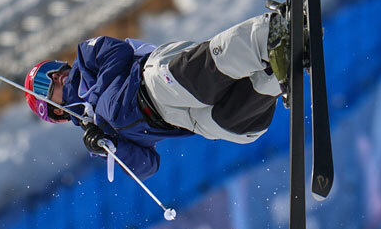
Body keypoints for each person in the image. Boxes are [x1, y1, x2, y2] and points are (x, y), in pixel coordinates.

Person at [24, 10, 291, 179]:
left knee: (194, 81)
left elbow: (117, 53)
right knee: (240, 128)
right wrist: (112, 147)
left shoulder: (86, 58)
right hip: (177, 120)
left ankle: (270, 34)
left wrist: (102, 107)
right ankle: (275, 72)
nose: (55, 76)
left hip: (149, 82)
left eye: (50, 69)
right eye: (43, 87)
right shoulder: (96, 132)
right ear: (55, 111)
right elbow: (148, 166)